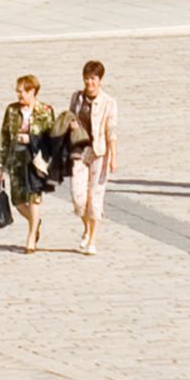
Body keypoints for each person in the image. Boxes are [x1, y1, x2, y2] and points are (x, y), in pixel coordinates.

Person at [0, 75, 62, 253]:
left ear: (32, 91)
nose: (19, 96)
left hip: (37, 160)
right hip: (16, 158)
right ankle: (36, 222)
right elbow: (4, 136)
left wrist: (30, 139)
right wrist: (0, 165)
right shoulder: (11, 110)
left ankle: (31, 236)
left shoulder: (45, 110)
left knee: (34, 196)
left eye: (22, 92)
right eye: (17, 92)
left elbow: (51, 138)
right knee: (17, 199)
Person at [66, 60, 119, 255]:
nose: (90, 82)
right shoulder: (77, 98)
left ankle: (92, 239)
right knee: (78, 197)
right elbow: (70, 117)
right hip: (79, 150)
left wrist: (114, 155)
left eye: (93, 78)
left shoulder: (108, 102)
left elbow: (111, 129)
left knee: (95, 196)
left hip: (99, 151)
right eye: (87, 78)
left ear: (100, 80)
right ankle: (86, 227)